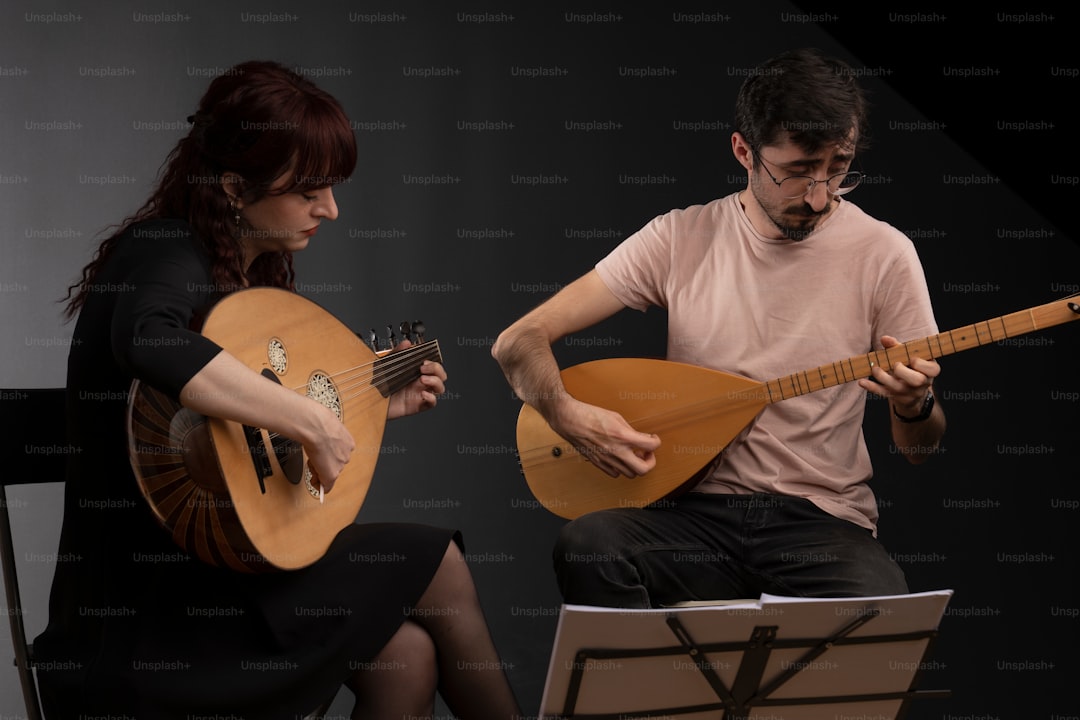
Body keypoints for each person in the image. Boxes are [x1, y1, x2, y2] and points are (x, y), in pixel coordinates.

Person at [37, 60, 523, 719]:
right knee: (437, 561)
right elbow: (148, 340)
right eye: (310, 191)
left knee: (406, 656)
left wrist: (372, 401)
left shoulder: (243, 276)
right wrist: (312, 421)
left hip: (225, 578)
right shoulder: (163, 251)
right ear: (235, 186)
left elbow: (246, 452)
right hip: (143, 618)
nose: (331, 209)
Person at [491, 47, 946, 609]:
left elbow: (921, 450)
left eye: (839, 169)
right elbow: (517, 341)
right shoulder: (679, 238)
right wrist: (565, 413)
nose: (821, 195)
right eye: (798, 171)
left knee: (880, 610)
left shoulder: (886, 254)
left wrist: (914, 404)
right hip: (693, 518)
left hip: (823, 523)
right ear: (743, 151)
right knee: (590, 546)